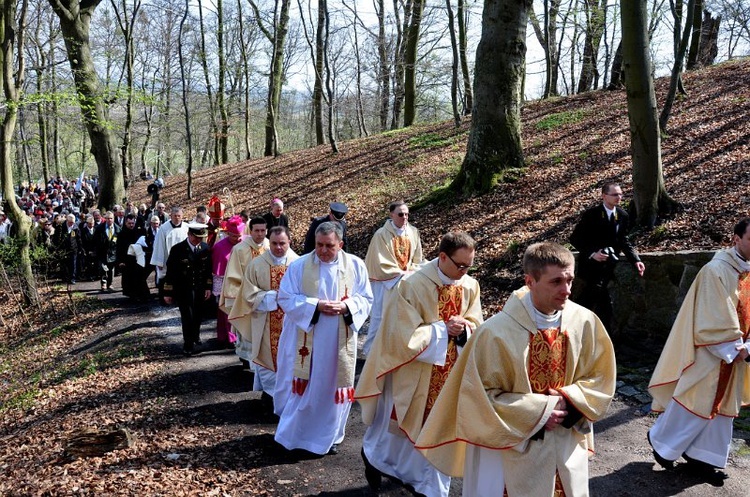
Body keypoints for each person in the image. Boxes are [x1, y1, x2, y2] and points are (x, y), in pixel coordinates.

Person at [414, 242, 616, 497]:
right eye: (556, 282)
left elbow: (601, 377)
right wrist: (540, 412)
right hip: (507, 451)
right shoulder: (494, 333)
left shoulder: (585, 322)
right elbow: (476, 399)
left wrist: (568, 400)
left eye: (570, 280)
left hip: (564, 443)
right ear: (529, 281)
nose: (566, 290)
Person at [355, 231, 482, 495]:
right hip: (412, 372)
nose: (464, 272)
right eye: (460, 265)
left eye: (469, 266)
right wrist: (442, 330)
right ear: (442, 256)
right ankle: (375, 459)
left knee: (441, 430)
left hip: (450, 374)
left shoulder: (470, 286)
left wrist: (465, 331)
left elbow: (476, 324)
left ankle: (428, 486)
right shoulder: (412, 285)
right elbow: (400, 336)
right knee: (397, 434)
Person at [647, 218, 750, 483]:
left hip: (736, 352)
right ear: (736, 239)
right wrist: (735, 347)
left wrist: (747, 346)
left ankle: (704, 457)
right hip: (711, 352)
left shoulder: (747, 271)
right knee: (695, 401)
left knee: (723, 409)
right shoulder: (715, 270)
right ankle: (662, 444)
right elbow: (712, 317)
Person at [274, 221, 372, 455]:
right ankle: (296, 436)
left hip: (339, 341)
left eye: (329, 246)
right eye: (319, 245)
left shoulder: (356, 266)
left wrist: (347, 307)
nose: (323, 251)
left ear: (340, 244)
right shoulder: (299, 266)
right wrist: (316, 306)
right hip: (308, 340)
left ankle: (331, 438)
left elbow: (367, 299)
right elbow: (285, 298)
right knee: (306, 389)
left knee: (333, 389)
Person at [229, 226, 299, 409]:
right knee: (267, 360)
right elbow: (248, 293)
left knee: (292, 360)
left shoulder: (299, 264)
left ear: (289, 242)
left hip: (293, 324)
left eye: (282, 243)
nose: (278, 247)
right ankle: (269, 398)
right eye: (274, 243)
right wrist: (271, 297)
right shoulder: (257, 264)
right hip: (266, 323)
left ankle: (291, 401)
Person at [569, 182, 645, 329]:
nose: (619, 197)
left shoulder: (622, 215)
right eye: (615, 194)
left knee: (599, 303)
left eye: (621, 194)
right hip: (590, 269)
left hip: (607, 268)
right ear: (604, 196)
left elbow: (623, 240)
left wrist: (635, 260)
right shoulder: (592, 215)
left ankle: (602, 338)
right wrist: (592, 253)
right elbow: (575, 239)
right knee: (593, 303)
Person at [362, 201, 424, 356]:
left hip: (406, 282)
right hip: (385, 283)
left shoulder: (413, 232)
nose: (405, 217)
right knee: (379, 317)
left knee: (401, 318)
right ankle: (370, 353)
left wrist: (413, 271)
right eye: (401, 214)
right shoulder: (381, 235)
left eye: (407, 214)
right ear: (391, 215)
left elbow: (417, 258)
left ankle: (393, 353)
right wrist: (400, 273)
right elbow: (380, 261)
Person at [220, 217, 269, 366]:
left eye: (263, 230)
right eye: (257, 230)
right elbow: (233, 276)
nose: (260, 234)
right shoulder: (240, 249)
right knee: (247, 330)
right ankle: (247, 359)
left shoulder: (271, 246)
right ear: (250, 231)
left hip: (267, 299)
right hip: (246, 297)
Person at [163, 223, 213, 356]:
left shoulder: (205, 248)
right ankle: (188, 343)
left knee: (198, 315)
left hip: (199, 288)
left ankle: (195, 336)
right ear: (189, 235)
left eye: (201, 238)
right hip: (183, 289)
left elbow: (208, 270)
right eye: (196, 237)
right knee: (187, 317)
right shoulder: (177, 249)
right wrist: (167, 292)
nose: (199, 241)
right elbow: (170, 273)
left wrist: (208, 287)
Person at [211, 215, 245, 347]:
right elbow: (217, 271)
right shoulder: (220, 247)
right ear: (228, 234)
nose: (238, 239)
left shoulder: (247, 243)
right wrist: (217, 291)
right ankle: (228, 337)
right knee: (226, 313)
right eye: (234, 236)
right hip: (226, 286)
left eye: (239, 236)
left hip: (244, 284)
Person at [151, 206, 188, 296]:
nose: (177, 218)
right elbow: (159, 245)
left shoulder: (187, 228)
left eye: (179, 215)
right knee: (167, 279)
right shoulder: (164, 228)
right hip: (168, 260)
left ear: (182, 216)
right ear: (170, 216)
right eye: (175, 216)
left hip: (183, 260)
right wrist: (159, 262)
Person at [116, 214, 146, 299]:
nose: (131, 225)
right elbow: (119, 248)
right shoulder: (121, 234)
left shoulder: (138, 232)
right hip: (126, 260)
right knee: (128, 278)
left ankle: (138, 294)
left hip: (137, 259)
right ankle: (131, 294)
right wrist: (120, 261)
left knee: (138, 277)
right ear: (125, 223)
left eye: (133, 223)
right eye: (129, 223)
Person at [96, 211, 120, 291]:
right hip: (102, 252)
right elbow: (95, 240)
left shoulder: (117, 229)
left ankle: (110, 284)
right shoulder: (99, 228)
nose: (109, 220)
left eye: (111, 218)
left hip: (113, 252)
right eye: (108, 218)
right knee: (103, 268)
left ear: (113, 219)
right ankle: (103, 284)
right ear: (105, 219)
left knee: (111, 269)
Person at [57, 214, 83, 284]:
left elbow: (79, 239)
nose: (72, 224)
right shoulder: (61, 227)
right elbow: (57, 238)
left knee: (73, 264)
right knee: (64, 264)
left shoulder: (76, 228)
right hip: (64, 249)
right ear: (67, 221)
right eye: (70, 222)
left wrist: (80, 249)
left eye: (73, 222)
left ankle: (72, 278)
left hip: (73, 249)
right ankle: (64, 278)